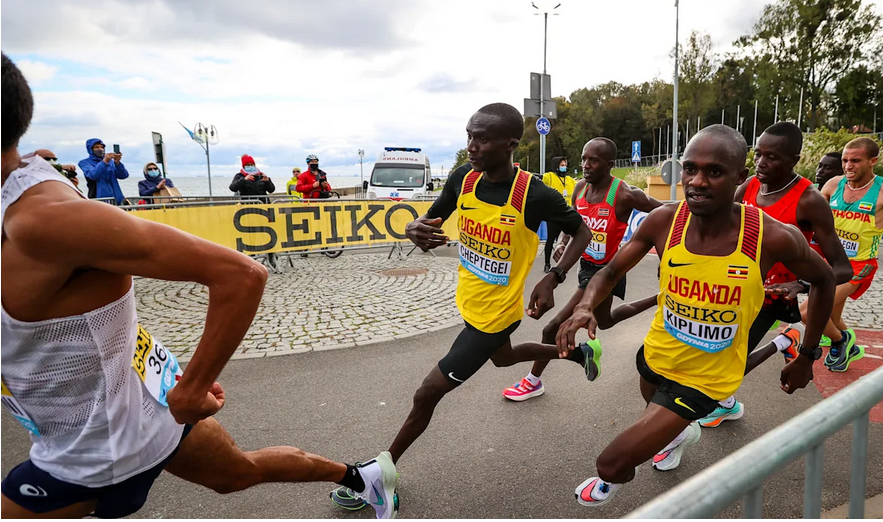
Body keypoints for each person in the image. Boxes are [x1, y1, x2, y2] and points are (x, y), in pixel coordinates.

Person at [0, 53, 398, 520]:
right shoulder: (31, 190)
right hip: (142, 403)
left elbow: (241, 273)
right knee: (238, 474)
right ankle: (362, 476)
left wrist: (193, 387)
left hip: (96, 450)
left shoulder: (42, 221)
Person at [329, 103, 594, 510]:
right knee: (504, 360)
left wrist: (553, 276)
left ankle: (380, 475)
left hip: (495, 315)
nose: (471, 145)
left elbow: (581, 231)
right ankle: (577, 354)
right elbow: (428, 222)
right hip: (470, 303)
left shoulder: (534, 194)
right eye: (469, 135)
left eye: (482, 138)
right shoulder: (463, 180)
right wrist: (413, 228)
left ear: (510, 144)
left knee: (427, 392)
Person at [557, 124, 836, 506]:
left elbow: (825, 280)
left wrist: (807, 355)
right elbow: (608, 271)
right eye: (690, 169)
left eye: (714, 172)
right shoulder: (664, 220)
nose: (697, 182)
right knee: (656, 412)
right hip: (656, 355)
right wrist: (587, 305)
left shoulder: (772, 235)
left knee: (611, 464)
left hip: (706, 378)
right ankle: (679, 435)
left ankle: (625, 474)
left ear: (740, 177)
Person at [696, 122, 853, 428]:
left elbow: (842, 268)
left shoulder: (809, 200)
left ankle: (783, 344)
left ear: (794, 159)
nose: (761, 163)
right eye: (758, 155)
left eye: (772, 157)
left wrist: (801, 282)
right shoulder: (751, 185)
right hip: (738, 288)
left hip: (773, 297)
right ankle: (727, 401)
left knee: (728, 363)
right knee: (711, 353)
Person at [502, 138, 662, 401]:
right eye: (584, 158)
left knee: (552, 328)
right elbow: (576, 224)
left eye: (593, 160)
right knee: (607, 320)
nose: (586, 165)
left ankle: (533, 382)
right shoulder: (580, 189)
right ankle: (659, 299)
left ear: (610, 165)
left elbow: (666, 212)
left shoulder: (624, 194)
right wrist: (564, 242)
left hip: (607, 272)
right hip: (586, 266)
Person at [805, 137, 883, 370]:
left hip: (859, 266)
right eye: (844, 160)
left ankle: (842, 341)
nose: (848, 166)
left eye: (855, 161)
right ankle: (846, 348)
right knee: (830, 317)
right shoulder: (833, 185)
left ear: (873, 161)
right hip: (830, 263)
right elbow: (813, 220)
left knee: (809, 312)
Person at [541, 156, 578, 272]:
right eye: (562, 165)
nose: (564, 167)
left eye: (565, 165)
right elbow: (537, 179)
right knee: (551, 239)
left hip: (566, 214)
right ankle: (547, 264)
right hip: (553, 214)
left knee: (563, 240)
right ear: (556, 165)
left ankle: (562, 264)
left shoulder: (570, 180)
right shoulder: (549, 177)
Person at [78, 138, 128, 205]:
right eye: (97, 147)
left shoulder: (111, 162)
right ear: (90, 149)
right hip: (98, 200)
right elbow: (94, 175)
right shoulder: (84, 163)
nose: (100, 149)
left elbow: (123, 175)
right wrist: (105, 161)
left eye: (102, 147)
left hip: (117, 200)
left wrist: (117, 163)